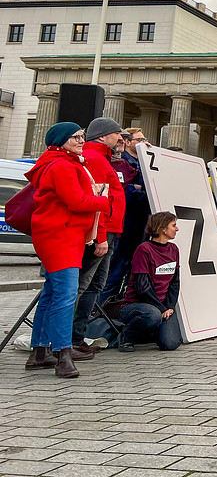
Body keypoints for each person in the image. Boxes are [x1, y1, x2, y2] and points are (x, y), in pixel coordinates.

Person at [24, 122, 113, 378]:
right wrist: (104, 200)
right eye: (75, 137)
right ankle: (62, 354)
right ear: (61, 140)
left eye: (82, 136)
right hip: (61, 236)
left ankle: (40, 352)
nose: (81, 140)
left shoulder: (60, 162)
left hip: (59, 234)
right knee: (65, 295)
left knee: (52, 294)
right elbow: (75, 201)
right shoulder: (62, 165)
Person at [72, 117, 126, 355]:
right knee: (85, 285)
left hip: (108, 229)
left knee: (94, 285)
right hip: (102, 231)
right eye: (116, 133)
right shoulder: (94, 158)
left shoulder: (100, 157)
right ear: (103, 136)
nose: (120, 138)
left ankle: (77, 335)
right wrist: (101, 235)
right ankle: (72, 337)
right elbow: (97, 200)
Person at [98, 128, 151, 306]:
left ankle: (116, 307)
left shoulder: (136, 163)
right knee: (113, 271)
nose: (143, 143)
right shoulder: (119, 162)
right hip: (121, 226)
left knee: (130, 271)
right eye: (139, 140)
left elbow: (140, 187)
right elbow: (125, 192)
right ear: (128, 143)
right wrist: (137, 190)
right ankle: (100, 310)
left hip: (136, 226)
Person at [119, 211, 182, 352]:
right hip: (137, 306)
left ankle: (150, 333)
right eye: (173, 225)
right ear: (163, 228)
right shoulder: (144, 249)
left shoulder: (174, 249)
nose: (177, 229)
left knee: (170, 344)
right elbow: (142, 286)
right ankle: (126, 336)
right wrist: (161, 309)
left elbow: (175, 282)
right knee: (153, 315)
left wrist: (169, 307)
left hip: (162, 306)